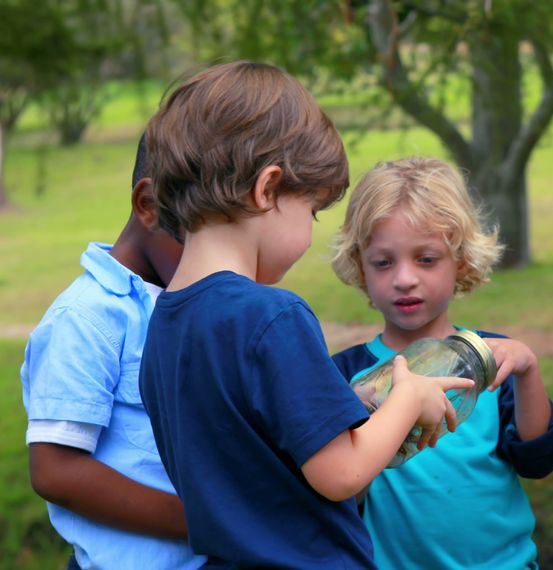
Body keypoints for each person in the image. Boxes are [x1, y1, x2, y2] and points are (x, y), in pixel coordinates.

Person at [137, 62, 472, 568]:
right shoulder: (272, 316)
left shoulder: (165, 323)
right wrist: (408, 399)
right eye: (312, 210)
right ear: (267, 189)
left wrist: (346, 406)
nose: (311, 230)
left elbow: (250, 445)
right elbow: (341, 474)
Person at [330, 157, 553, 569]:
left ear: (459, 260)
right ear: (360, 266)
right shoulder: (344, 375)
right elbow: (336, 490)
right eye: (383, 262)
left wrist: (528, 372)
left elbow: (537, 460)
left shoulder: (493, 358)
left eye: (426, 259)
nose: (404, 278)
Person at [20, 134, 204, 569]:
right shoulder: (86, 319)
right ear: (150, 205)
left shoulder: (189, 303)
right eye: (205, 243)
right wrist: (208, 522)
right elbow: (56, 471)